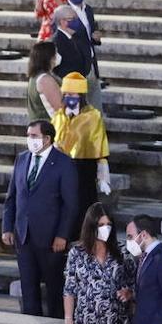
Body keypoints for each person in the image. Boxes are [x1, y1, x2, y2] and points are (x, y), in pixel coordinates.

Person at [4, 120, 77, 318]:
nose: (30, 139)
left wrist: (62, 235)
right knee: (28, 288)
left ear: (47, 138)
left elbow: (70, 205)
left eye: (34, 136)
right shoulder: (22, 159)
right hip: (24, 236)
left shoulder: (64, 163)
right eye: (28, 135)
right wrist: (7, 227)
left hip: (51, 238)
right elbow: (12, 197)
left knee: (54, 288)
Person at [52, 72, 112, 229]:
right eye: (66, 94)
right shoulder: (59, 116)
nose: (68, 97)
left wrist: (103, 173)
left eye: (72, 94)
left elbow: (99, 144)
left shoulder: (92, 116)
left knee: (83, 207)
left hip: (84, 167)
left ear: (81, 95)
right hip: (62, 167)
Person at [51, 7, 102, 112]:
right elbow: (55, 70)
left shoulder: (75, 37)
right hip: (71, 92)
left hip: (80, 86)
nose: (76, 21)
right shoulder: (57, 41)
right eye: (73, 19)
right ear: (63, 22)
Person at [26, 40, 61, 123]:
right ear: (50, 58)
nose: (58, 56)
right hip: (48, 127)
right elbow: (59, 107)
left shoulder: (35, 77)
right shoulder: (45, 80)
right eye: (56, 53)